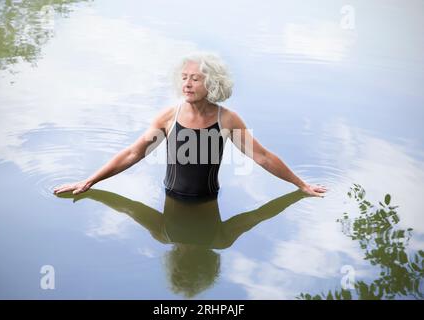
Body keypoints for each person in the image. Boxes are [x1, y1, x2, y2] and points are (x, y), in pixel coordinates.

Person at [53, 53, 327, 198]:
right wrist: (90, 180)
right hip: (170, 196)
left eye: (195, 78)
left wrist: (301, 185)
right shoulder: (169, 117)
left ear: (212, 83)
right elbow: (133, 153)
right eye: (184, 77)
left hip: (209, 200)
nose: (187, 83)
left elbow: (262, 156)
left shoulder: (227, 120)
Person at [57, 187, 307, 297]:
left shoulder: (167, 235)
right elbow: (258, 215)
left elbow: (129, 208)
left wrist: (91, 191)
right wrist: (299, 192)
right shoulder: (215, 239)